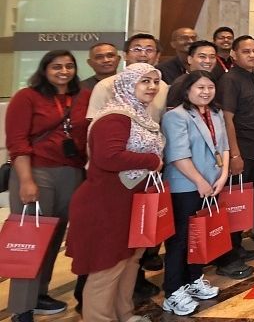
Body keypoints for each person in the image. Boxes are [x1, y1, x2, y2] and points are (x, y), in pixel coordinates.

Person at [67, 63, 164, 322]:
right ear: (127, 84)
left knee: (130, 262)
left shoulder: (139, 114)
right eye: (145, 81)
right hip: (106, 202)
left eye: (155, 81)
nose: (152, 87)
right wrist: (151, 161)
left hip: (132, 200)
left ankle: (124, 313)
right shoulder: (114, 117)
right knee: (106, 268)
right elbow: (108, 157)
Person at [5, 50, 90, 321]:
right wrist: (26, 180)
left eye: (69, 66)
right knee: (30, 238)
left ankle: (40, 293)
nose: (63, 71)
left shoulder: (83, 97)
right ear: (44, 69)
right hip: (36, 172)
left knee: (53, 238)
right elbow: (17, 142)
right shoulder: (26, 97)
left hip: (71, 173)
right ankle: (22, 307)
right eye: (56, 66)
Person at [160, 70, 226, 316]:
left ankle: (194, 279)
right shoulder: (175, 117)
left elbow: (225, 147)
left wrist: (223, 175)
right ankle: (173, 291)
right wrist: (200, 181)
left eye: (210, 87)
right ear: (187, 89)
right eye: (200, 87)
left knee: (200, 235)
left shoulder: (215, 113)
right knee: (180, 240)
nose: (206, 91)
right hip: (186, 186)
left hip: (213, 182)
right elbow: (178, 155)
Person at [218, 35, 254, 277]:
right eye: (246, 51)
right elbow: (227, 118)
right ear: (234, 55)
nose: (253, 55)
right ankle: (226, 258)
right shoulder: (230, 79)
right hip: (241, 150)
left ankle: (236, 247)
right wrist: (234, 154)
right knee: (231, 203)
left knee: (243, 201)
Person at [166, 40, 219, 109]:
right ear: (190, 59)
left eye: (212, 57)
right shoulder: (181, 83)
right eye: (202, 57)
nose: (208, 61)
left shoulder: (212, 80)